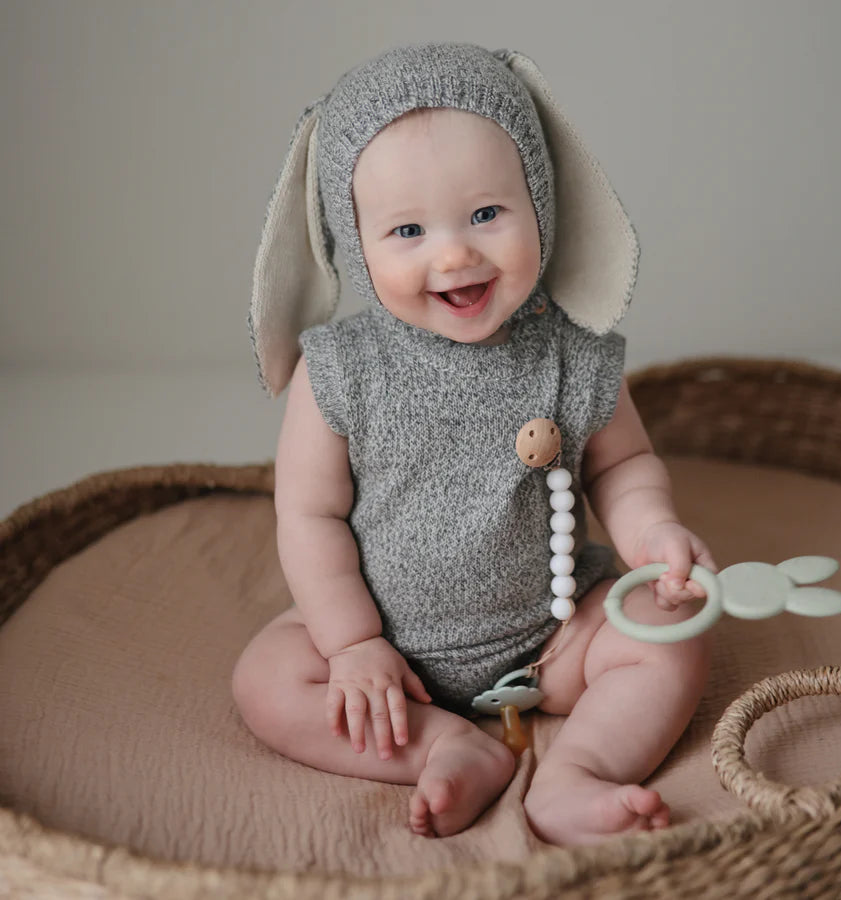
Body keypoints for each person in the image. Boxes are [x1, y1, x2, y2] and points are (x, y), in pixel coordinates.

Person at [233, 42, 714, 845]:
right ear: (356, 242)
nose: (455, 253)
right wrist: (352, 644)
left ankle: (577, 772)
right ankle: (444, 746)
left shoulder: (574, 352)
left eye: (487, 214)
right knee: (268, 680)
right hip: (392, 651)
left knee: (672, 637)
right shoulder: (341, 371)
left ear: (540, 202)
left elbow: (624, 465)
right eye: (407, 230)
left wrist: (653, 535)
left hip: (555, 637)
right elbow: (309, 516)